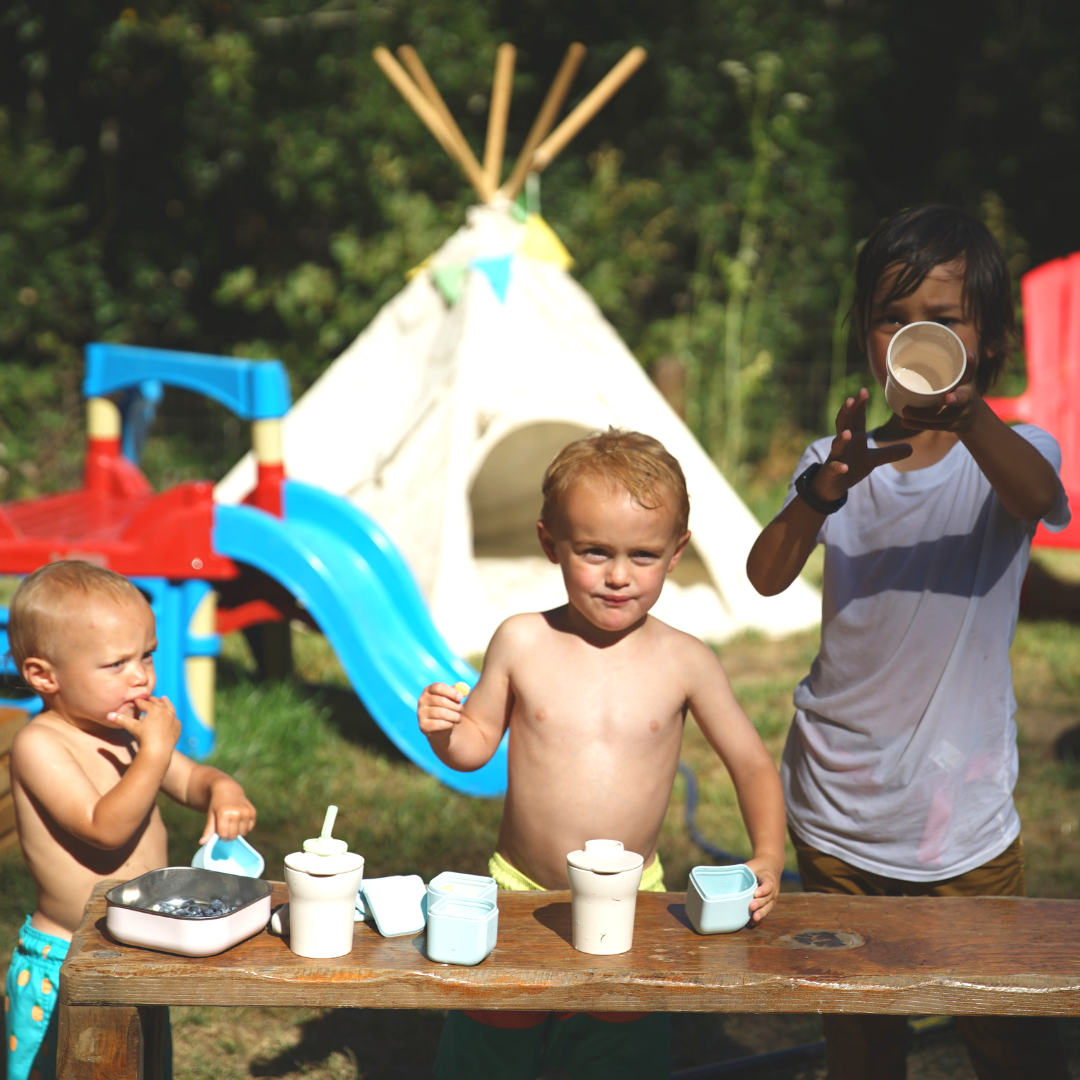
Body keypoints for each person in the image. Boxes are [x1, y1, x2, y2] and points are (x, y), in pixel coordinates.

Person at [746, 204, 1071, 1080]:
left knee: (1006, 1030)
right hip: (834, 812)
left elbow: (1040, 496)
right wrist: (822, 490)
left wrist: (968, 419)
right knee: (858, 1031)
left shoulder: (1009, 451)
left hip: (956, 822)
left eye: (943, 318)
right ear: (867, 338)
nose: (915, 334)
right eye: (894, 315)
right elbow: (765, 576)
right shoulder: (835, 459)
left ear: (989, 342)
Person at [418, 429, 786, 1080]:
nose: (619, 576)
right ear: (548, 543)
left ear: (677, 553)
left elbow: (752, 763)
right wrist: (445, 731)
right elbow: (474, 749)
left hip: (633, 899)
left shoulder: (685, 660)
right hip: (520, 893)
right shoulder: (523, 640)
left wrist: (767, 855)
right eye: (594, 552)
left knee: (615, 1051)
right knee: (489, 1044)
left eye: (642, 555)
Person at [4, 561, 257, 1080]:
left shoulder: (126, 735)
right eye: (116, 663)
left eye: (147, 655)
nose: (140, 675)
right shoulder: (40, 744)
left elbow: (189, 780)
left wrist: (221, 786)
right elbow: (104, 828)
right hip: (68, 961)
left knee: (136, 1069)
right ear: (43, 675)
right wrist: (154, 752)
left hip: (134, 949)